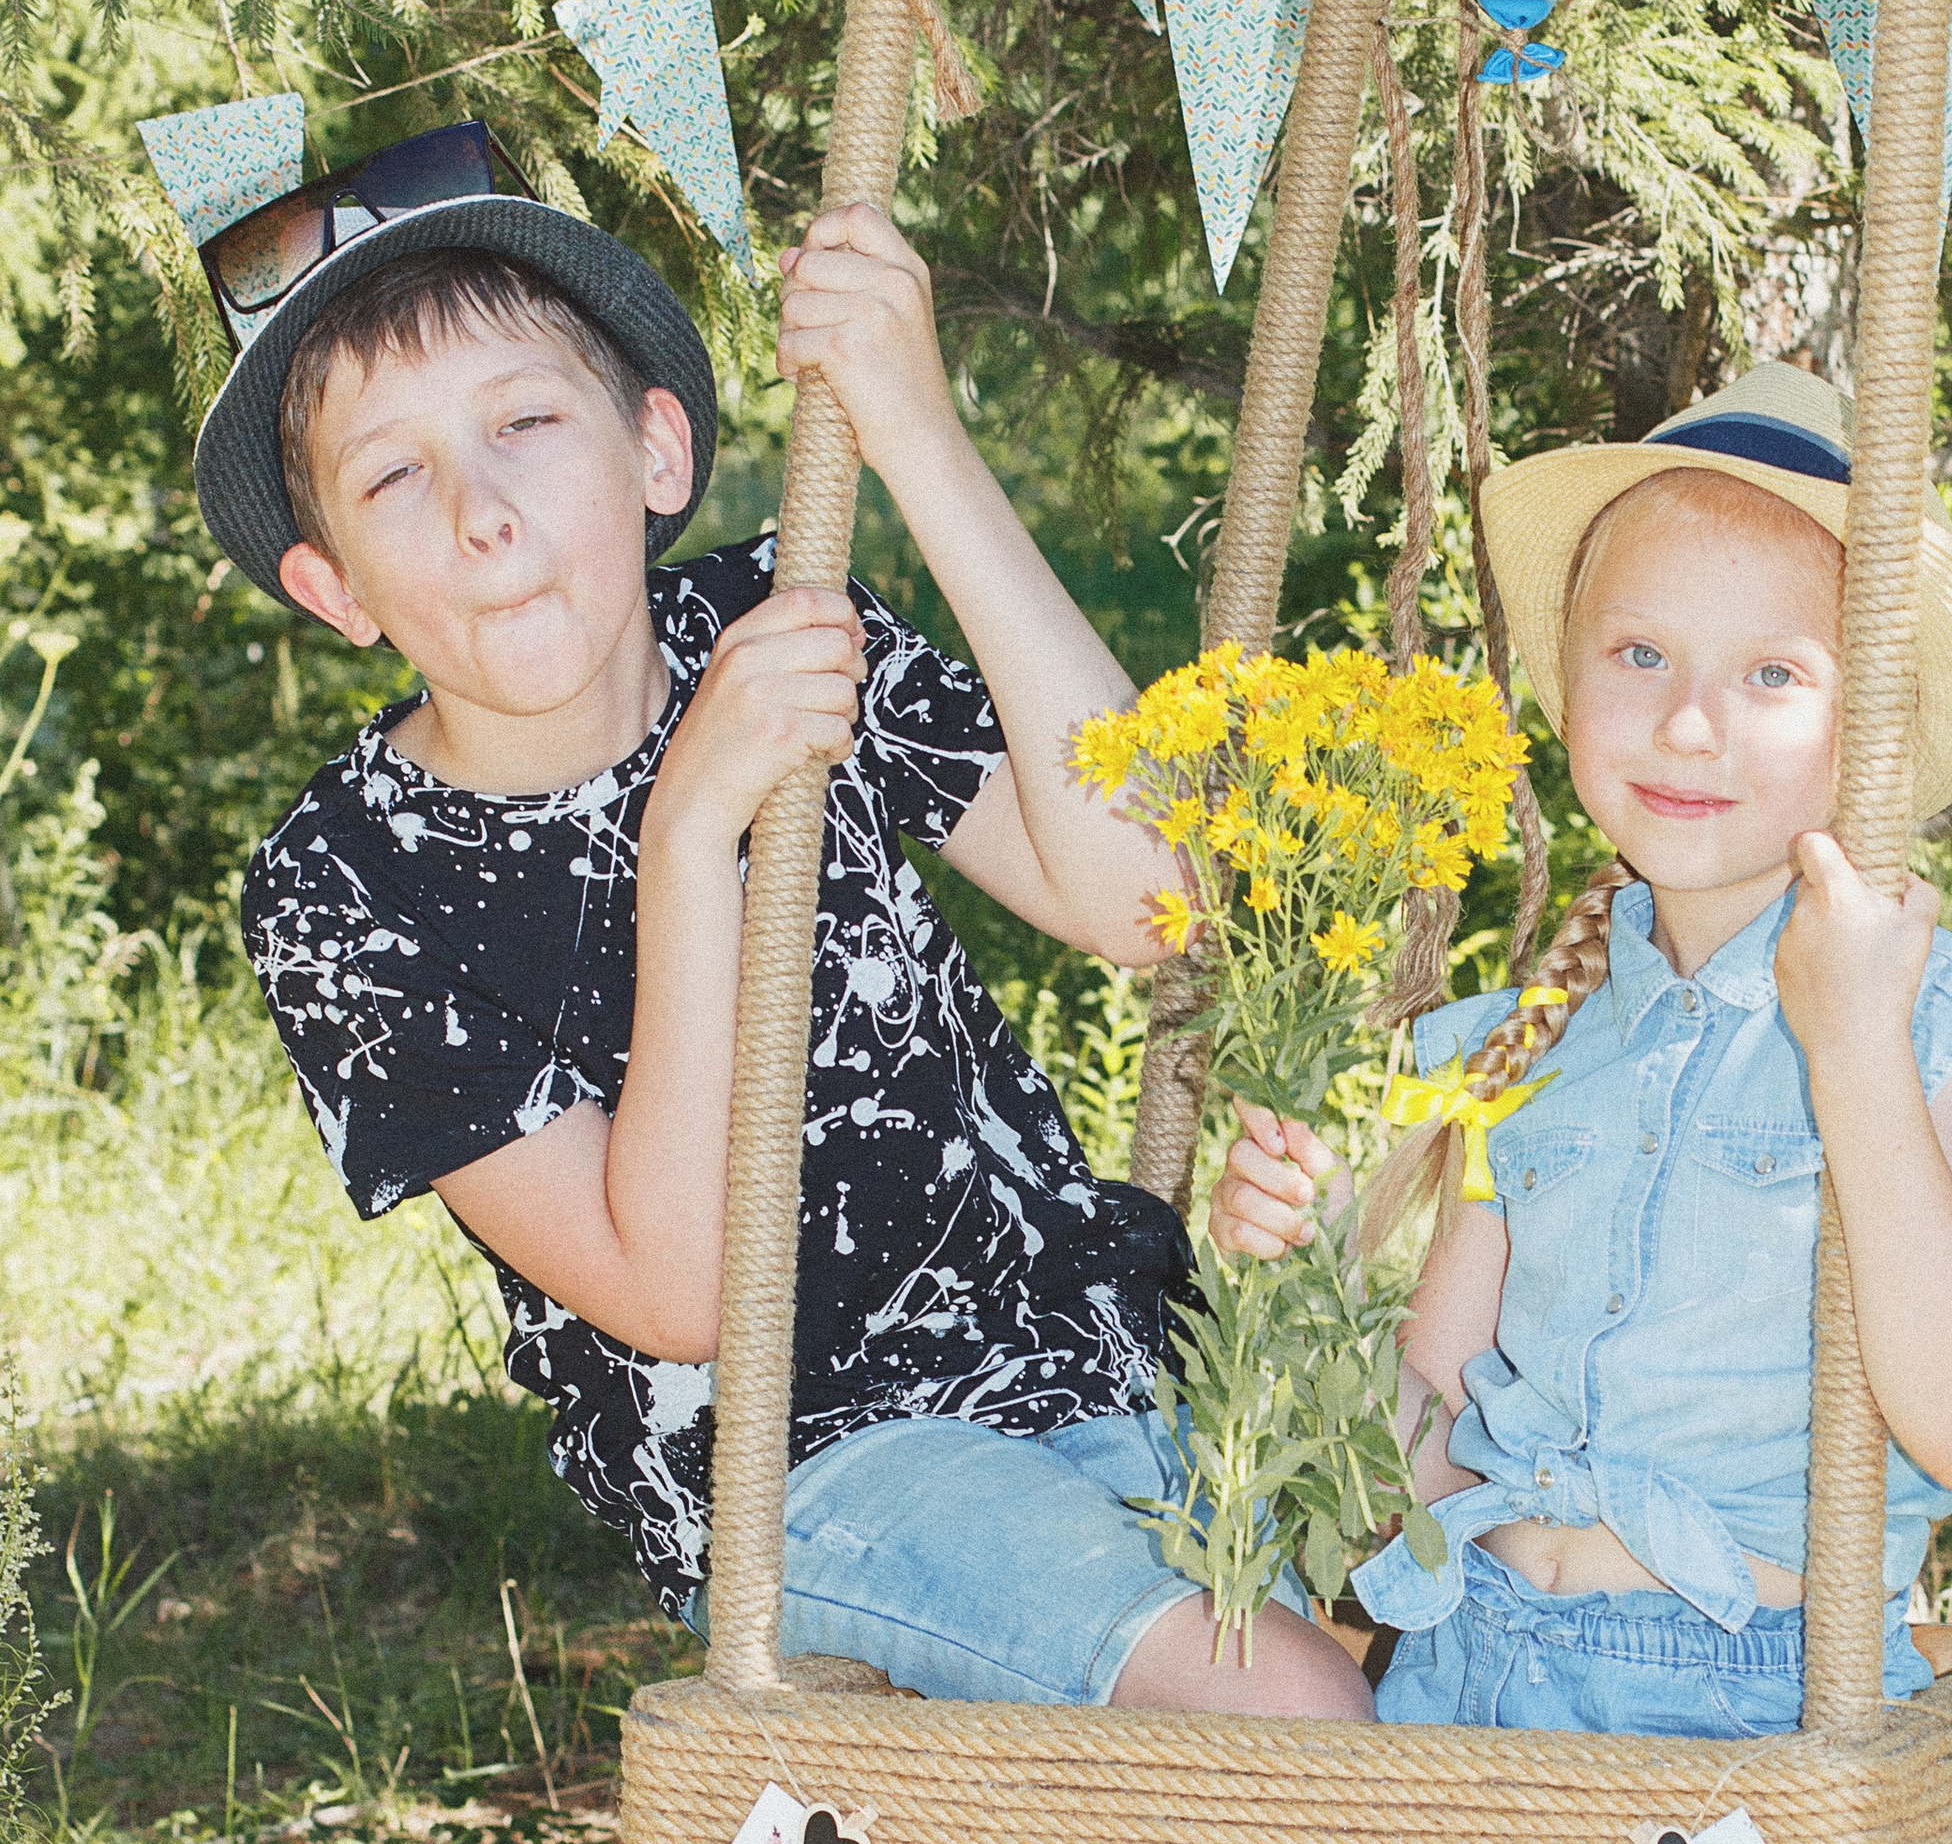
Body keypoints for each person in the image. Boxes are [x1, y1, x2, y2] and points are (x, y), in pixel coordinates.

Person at [187, 117, 1370, 1721]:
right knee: (1285, 1701)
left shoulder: (774, 616)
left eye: (526, 420)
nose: (481, 511)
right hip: (811, 1469)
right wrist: (694, 825)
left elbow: (1158, 903)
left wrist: (918, 438)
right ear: (337, 590)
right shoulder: (346, 886)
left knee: (1457, 1634)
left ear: (657, 454)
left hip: (1102, 1348)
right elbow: (673, 1289)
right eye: (397, 473)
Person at [1208, 362, 1952, 1738]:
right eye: (1641, 655)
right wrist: (1314, 1277)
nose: (1690, 721)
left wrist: (1857, 1053)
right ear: (1568, 683)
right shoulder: (1523, 1042)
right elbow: (1430, 1467)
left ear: (1872, 719)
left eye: (1772, 674)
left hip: (1753, 1697)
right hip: (1473, 1670)